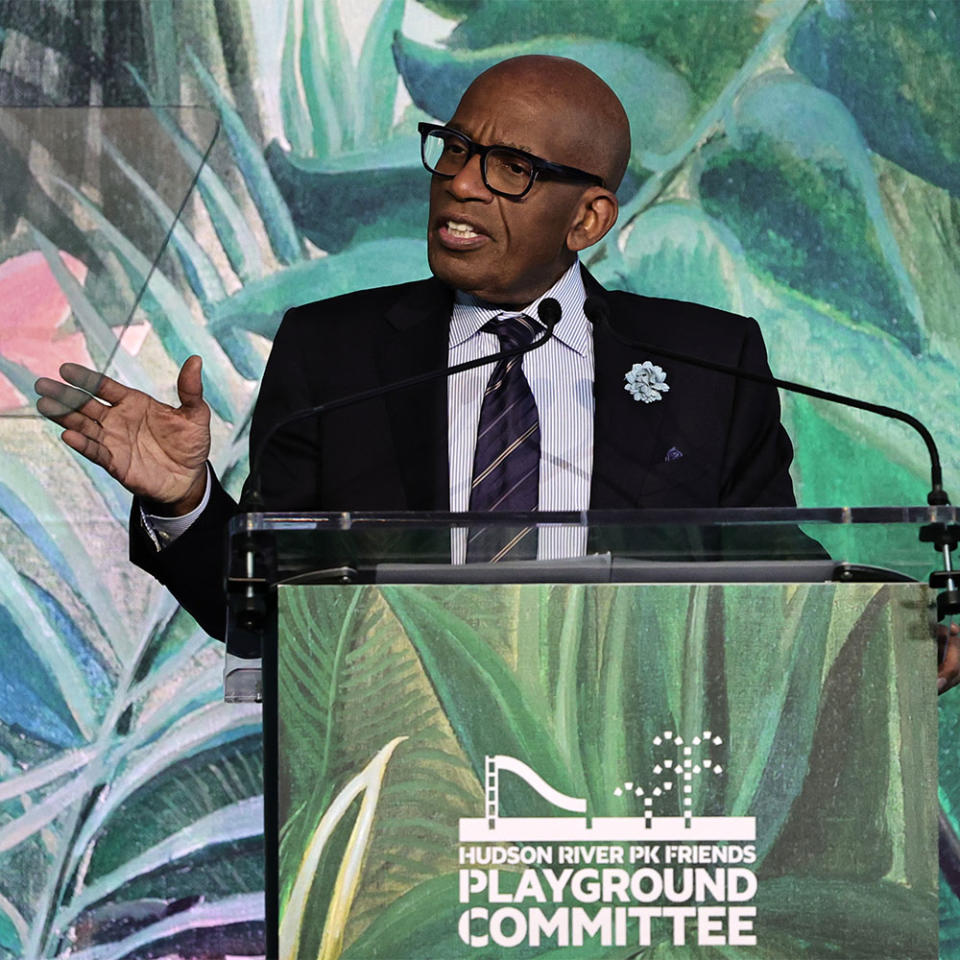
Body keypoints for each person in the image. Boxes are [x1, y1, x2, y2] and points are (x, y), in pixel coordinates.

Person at [36, 55, 949, 682]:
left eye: (510, 166)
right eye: (458, 148)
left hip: (630, 811)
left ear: (589, 219)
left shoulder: (707, 363)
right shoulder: (339, 354)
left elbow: (768, 576)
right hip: (395, 800)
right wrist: (183, 504)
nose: (462, 182)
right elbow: (268, 614)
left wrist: (888, 632)